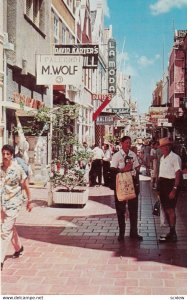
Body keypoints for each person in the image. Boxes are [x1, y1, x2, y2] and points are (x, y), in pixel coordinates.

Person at [0, 144, 32, 271]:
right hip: (2, 204)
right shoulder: (0, 169)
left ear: (12, 155)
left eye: (7, 154)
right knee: (10, 227)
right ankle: (19, 248)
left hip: (14, 203)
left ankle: (0, 260)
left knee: (4, 231)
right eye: (3, 154)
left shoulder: (18, 169)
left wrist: (30, 201)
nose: (5, 156)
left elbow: (26, 186)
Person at [111, 136, 143, 242]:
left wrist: (135, 171)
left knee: (133, 209)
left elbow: (137, 167)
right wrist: (124, 170)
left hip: (131, 185)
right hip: (120, 186)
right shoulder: (116, 156)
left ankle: (134, 232)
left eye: (130, 142)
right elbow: (112, 170)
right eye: (126, 142)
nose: (128, 144)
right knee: (121, 210)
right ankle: (121, 233)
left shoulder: (133, 154)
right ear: (121, 143)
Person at [157, 137, 182, 243]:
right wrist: (158, 188)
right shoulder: (162, 158)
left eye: (167, 146)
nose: (165, 148)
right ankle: (171, 232)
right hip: (162, 185)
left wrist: (174, 189)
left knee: (171, 209)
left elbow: (178, 174)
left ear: (169, 146)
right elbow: (161, 173)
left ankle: (173, 233)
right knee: (166, 209)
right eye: (163, 146)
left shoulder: (175, 157)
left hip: (171, 184)